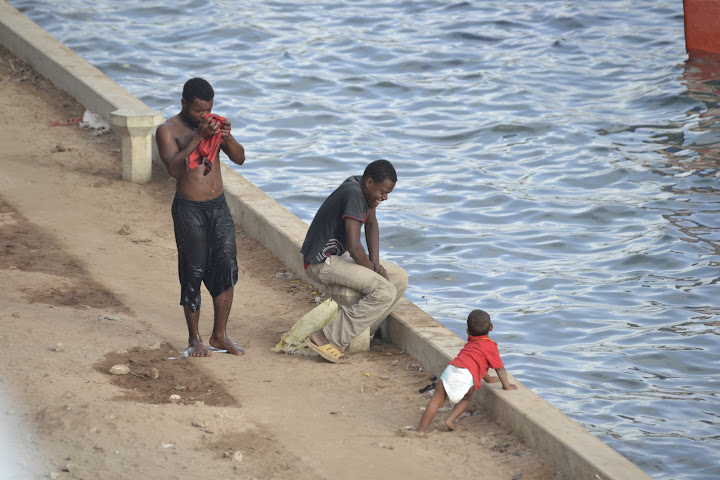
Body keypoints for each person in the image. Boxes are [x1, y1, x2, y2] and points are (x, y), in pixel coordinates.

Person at [155, 77, 246, 357]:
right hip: (189, 208)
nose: (204, 116)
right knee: (193, 272)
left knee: (226, 267)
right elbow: (173, 169)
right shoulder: (168, 130)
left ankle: (219, 335)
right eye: (197, 111)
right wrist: (199, 138)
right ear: (183, 104)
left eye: (208, 109)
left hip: (218, 206)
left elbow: (240, 158)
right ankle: (195, 339)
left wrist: (226, 136)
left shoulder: (213, 125)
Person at [301, 159, 408, 363]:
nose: (384, 198)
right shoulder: (354, 194)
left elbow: (371, 224)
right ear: (369, 183)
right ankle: (325, 337)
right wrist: (373, 272)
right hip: (320, 262)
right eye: (383, 192)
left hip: (338, 257)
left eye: (387, 194)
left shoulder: (364, 191)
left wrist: (375, 263)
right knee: (384, 290)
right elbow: (354, 246)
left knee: (399, 278)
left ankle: (365, 331)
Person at [415, 309, 517, 436]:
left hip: (451, 369)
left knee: (436, 401)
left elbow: (475, 362)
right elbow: (499, 368)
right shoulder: (490, 346)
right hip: (467, 376)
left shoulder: (470, 342)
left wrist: (489, 379)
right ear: (491, 327)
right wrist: (506, 386)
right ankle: (450, 420)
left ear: (468, 331)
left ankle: (420, 430)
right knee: (467, 398)